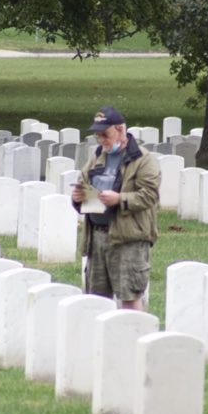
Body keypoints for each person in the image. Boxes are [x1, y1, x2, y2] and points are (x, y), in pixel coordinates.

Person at [71, 106, 160, 310]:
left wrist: (119, 199)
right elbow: (84, 181)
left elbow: (149, 195)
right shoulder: (98, 156)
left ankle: (135, 338)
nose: (102, 140)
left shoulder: (142, 159)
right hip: (97, 237)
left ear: (120, 129)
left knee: (129, 295)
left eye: (106, 134)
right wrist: (78, 197)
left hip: (128, 239)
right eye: (98, 135)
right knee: (95, 299)